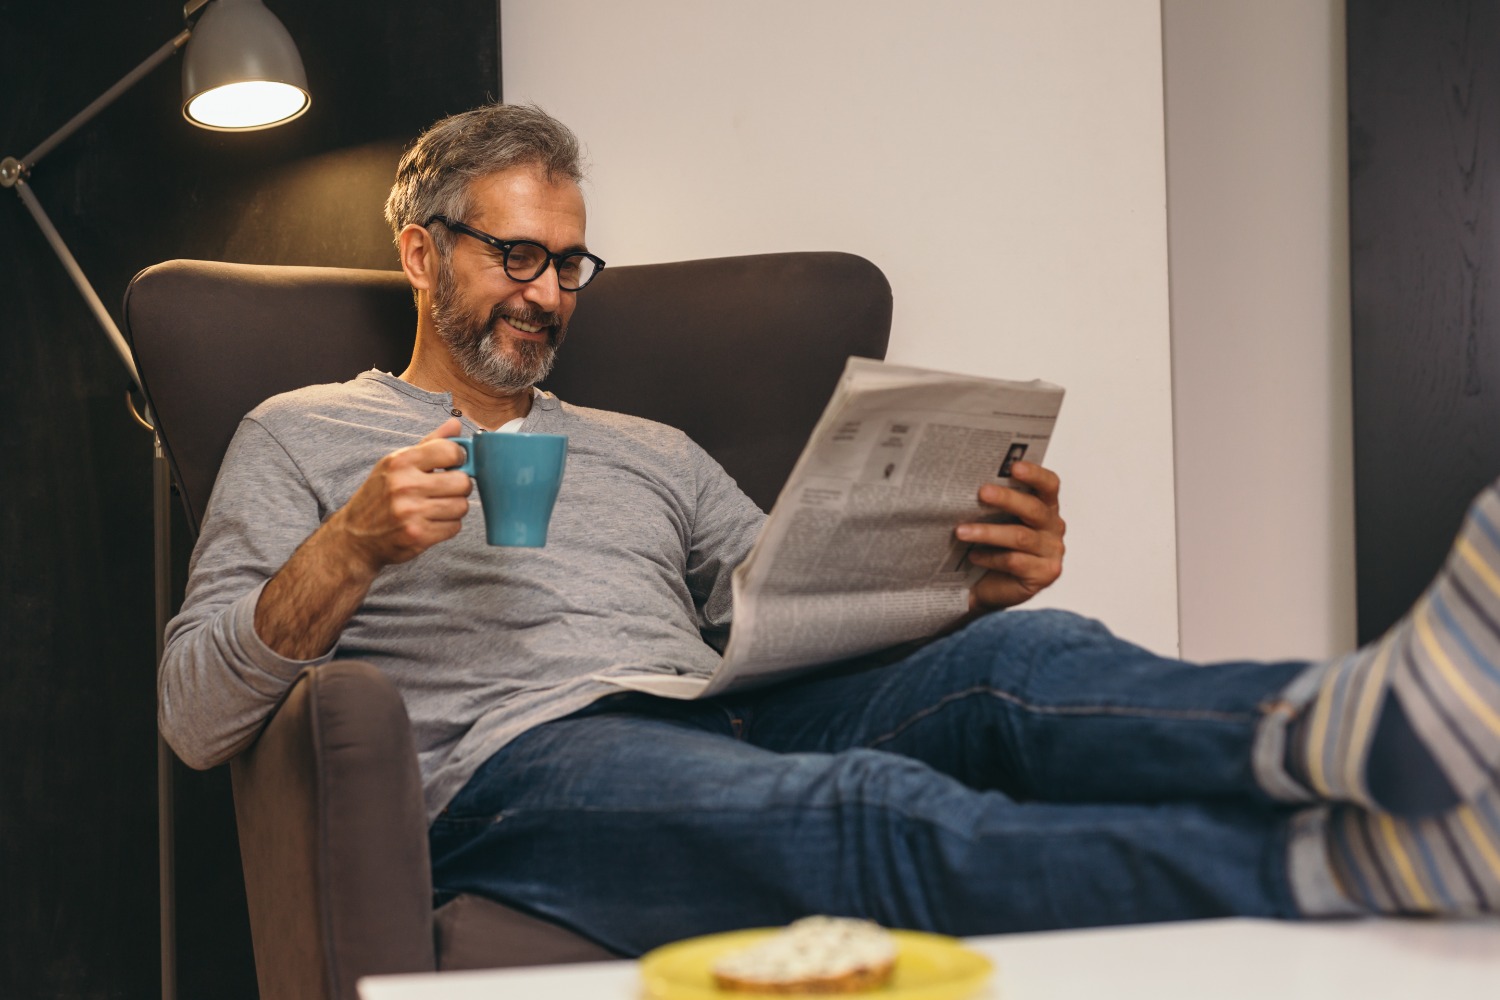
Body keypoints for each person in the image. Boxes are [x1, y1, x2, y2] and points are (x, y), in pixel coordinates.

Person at [159, 103, 1500, 956]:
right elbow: (192, 715)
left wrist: (970, 585)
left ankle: (1352, 726)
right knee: (866, 807)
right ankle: (1348, 859)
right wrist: (347, 548)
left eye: (570, 264)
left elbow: (782, 609)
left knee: (1023, 666)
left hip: (721, 707)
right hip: (521, 767)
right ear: (417, 250)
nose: (548, 294)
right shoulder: (304, 432)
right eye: (515, 256)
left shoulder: (650, 449)